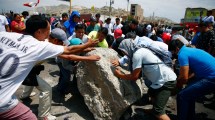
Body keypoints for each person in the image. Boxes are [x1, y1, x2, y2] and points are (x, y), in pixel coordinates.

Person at [0, 15, 100, 120]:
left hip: (26, 72)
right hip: (9, 92)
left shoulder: (5, 35)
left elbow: (67, 54)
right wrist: (87, 48)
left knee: (32, 78)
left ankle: (25, 95)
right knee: (46, 89)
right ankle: (44, 115)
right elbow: (68, 54)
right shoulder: (42, 45)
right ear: (39, 32)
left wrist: (84, 51)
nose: (49, 33)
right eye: (48, 30)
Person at [112, 39, 177, 120]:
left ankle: (157, 112)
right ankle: (154, 110)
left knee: (159, 112)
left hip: (166, 81)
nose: (124, 54)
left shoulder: (137, 54)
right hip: (162, 78)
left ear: (127, 48)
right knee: (152, 92)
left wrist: (120, 75)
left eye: (123, 51)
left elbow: (134, 76)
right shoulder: (141, 50)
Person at [168, 40, 215, 120]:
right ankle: (190, 117)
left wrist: (177, 87)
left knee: (182, 95)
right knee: (189, 93)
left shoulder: (182, 54)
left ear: (177, 49)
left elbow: (184, 78)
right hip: (209, 75)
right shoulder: (191, 50)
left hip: (211, 78)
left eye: (173, 52)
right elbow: (191, 74)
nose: (173, 54)